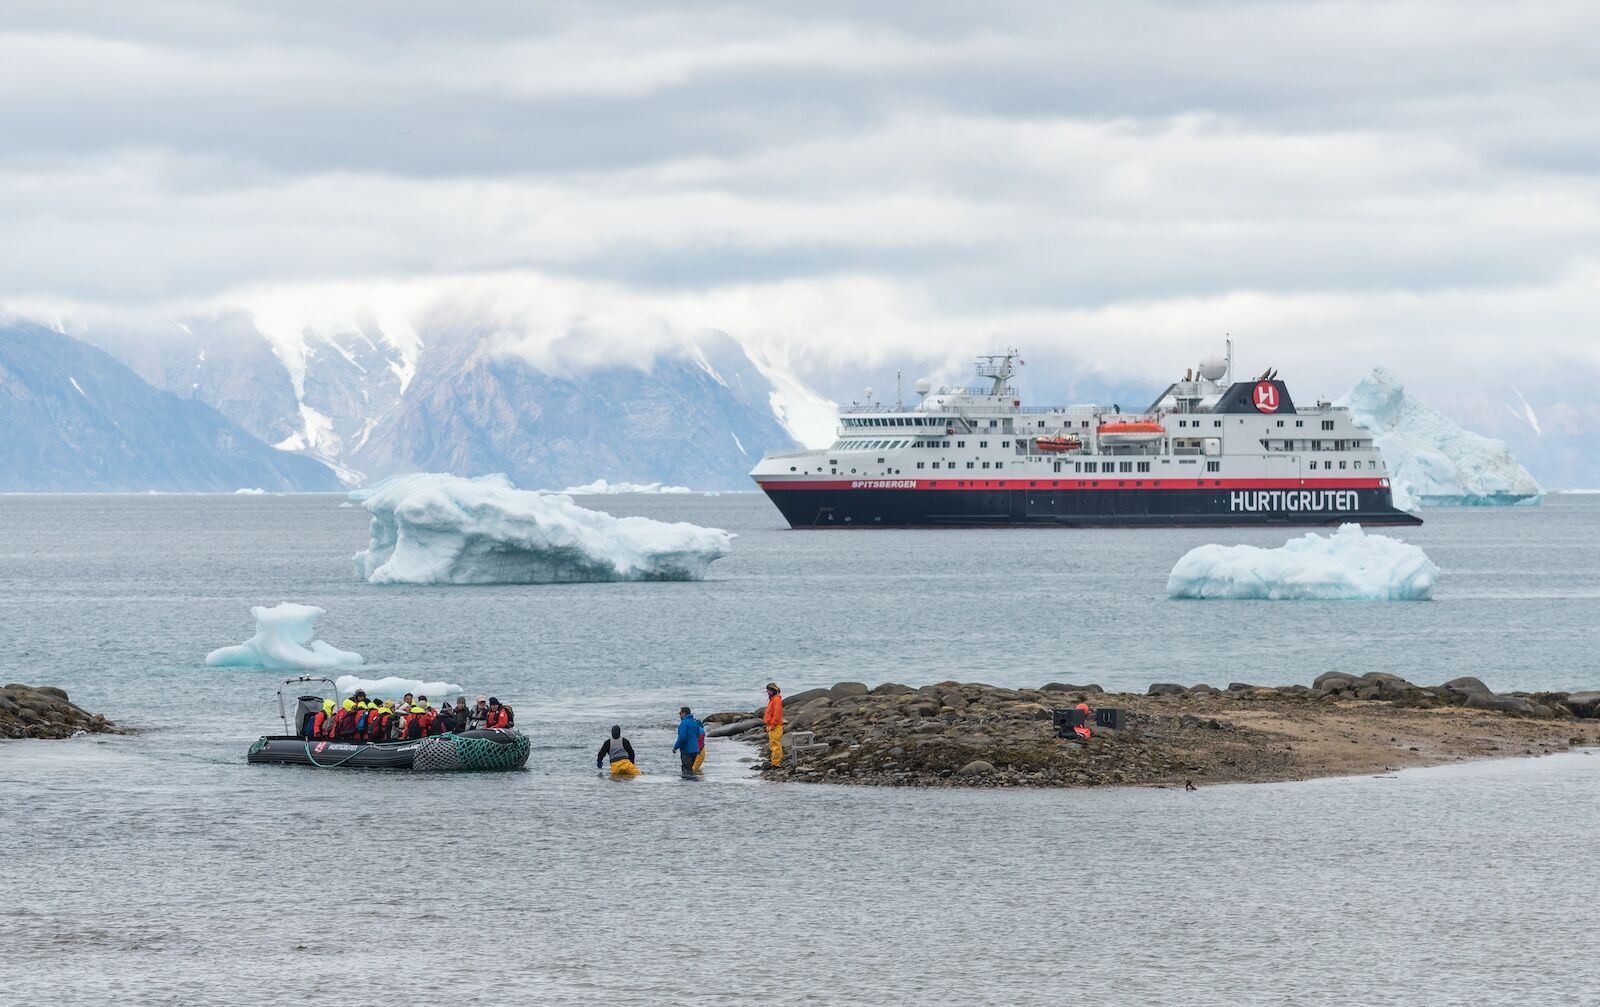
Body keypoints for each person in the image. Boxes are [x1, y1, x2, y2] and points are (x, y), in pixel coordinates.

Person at [673, 706, 703, 779]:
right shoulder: (695, 722)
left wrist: (675, 747)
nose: (679, 715)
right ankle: (694, 786)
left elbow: (682, 737)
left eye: (680, 713)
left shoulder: (684, 723)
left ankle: (686, 788)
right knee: (690, 769)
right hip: (695, 749)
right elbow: (698, 734)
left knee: (686, 772)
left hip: (687, 750)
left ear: (684, 713)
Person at [762, 682, 784, 768]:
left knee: (775, 744)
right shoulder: (773, 699)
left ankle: (776, 763)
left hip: (775, 725)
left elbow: (777, 714)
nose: (767, 692)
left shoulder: (776, 700)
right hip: (771, 725)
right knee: (773, 744)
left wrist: (773, 724)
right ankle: (775, 761)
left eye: (768, 690)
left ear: (772, 690)